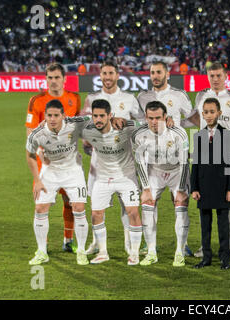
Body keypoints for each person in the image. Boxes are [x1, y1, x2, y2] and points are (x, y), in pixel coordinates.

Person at [82, 60, 145, 258]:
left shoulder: (128, 98)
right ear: (99, 76)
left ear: (118, 75)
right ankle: (96, 243)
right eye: (104, 74)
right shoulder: (92, 98)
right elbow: (84, 124)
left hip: (124, 160)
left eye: (111, 73)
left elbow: (143, 121)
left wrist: (124, 121)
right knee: (96, 204)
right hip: (98, 162)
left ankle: (129, 244)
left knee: (127, 205)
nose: (107, 77)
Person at [182, 61, 230, 258]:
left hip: (228, 151)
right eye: (212, 76)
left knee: (229, 198)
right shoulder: (201, 96)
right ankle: (205, 247)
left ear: (226, 76)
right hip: (204, 149)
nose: (215, 79)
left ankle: (228, 247)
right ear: (208, 77)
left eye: (219, 75)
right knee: (206, 198)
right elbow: (194, 118)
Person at [136, 61, 194, 256]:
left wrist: (174, 125)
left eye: (159, 72)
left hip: (175, 153)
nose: (155, 76)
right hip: (154, 160)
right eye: (152, 72)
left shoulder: (179, 95)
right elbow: (139, 120)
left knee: (179, 200)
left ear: (167, 74)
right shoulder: (143, 96)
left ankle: (182, 245)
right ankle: (149, 245)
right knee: (150, 201)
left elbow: (192, 117)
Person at [26, 99, 90, 266]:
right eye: (49, 115)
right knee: (40, 208)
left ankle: (82, 251)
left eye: (56, 115)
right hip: (50, 171)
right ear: (45, 116)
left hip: (73, 171)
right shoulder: (37, 133)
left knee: (79, 207)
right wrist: (38, 180)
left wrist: (112, 120)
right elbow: (30, 155)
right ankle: (41, 251)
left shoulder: (73, 123)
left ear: (63, 115)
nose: (52, 119)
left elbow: (91, 118)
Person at [25, 63, 81, 253]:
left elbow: (77, 128)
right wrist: (40, 152)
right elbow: (30, 131)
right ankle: (44, 246)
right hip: (45, 162)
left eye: (57, 77)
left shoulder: (74, 99)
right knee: (42, 205)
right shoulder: (37, 100)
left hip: (68, 162)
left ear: (64, 79)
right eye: (50, 78)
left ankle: (68, 239)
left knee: (71, 202)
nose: (53, 81)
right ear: (46, 79)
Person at [132, 101, 190, 267]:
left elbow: (185, 162)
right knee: (147, 204)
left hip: (176, 172)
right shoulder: (139, 135)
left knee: (181, 204)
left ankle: (180, 252)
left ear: (166, 117)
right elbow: (140, 161)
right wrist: (146, 188)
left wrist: (180, 189)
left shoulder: (179, 133)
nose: (154, 121)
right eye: (150, 118)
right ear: (146, 118)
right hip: (155, 172)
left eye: (158, 117)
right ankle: (151, 252)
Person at [191, 98, 230, 270]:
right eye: (206, 112)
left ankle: (225, 259)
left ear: (219, 113)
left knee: (223, 225)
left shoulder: (228, 135)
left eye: (212, 112)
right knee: (205, 226)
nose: (209, 115)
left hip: (222, 187)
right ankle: (206, 258)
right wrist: (194, 187)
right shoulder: (198, 136)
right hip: (203, 187)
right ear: (202, 114)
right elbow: (195, 164)